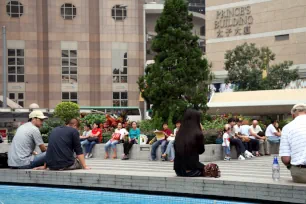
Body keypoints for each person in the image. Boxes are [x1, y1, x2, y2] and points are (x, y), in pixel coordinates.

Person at [280, 103, 306, 183]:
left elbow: (286, 159)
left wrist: (290, 166)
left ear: (293, 115)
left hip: (301, 172)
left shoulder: (287, 128)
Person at [174, 109, 205, 177]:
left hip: (178, 171)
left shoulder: (179, 133)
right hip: (191, 170)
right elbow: (201, 151)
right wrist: (201, 132)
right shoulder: (198, 134)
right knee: (211, 169)